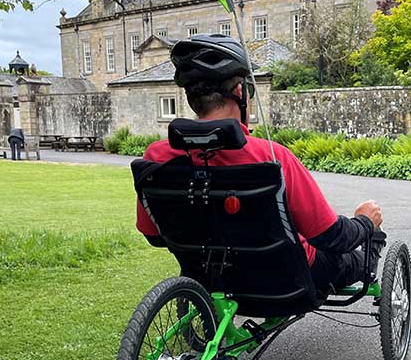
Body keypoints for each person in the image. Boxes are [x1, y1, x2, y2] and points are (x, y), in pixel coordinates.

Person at [135, 34, 386, 293]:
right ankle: (372, 249)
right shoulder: (271, 156)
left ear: (190, 98)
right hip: (289, 282)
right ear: (240, 92)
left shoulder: (156, 156)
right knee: (356, 255)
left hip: (207, 277)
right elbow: (330, 236)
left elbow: (154, 236)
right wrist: (365, 222)